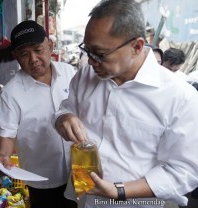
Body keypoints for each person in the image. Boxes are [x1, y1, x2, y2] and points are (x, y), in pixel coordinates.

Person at [54, 0, 198, 207]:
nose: (91, 61)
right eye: (87, 51)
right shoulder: (86, 75)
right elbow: (65, 108)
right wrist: (64, 118)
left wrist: (118, 191)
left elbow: (184, 171)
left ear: (137, 46)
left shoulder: (180, 97)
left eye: (100, 54)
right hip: (86, 199)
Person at [0, 20, 77, 208]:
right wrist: (3, 157)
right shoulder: (11, 92)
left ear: (50, 46)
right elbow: (7, 134)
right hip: (42, 179)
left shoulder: (69, 72)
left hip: (78, 172)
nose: (33, 59)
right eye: (24, 54)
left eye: (38, 50)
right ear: (16, 56)